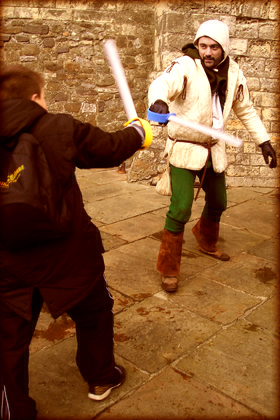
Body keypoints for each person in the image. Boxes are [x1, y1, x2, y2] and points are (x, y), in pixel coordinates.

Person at [0, 64, 152, 420]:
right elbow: (111, 148)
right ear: (35, 97)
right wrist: (138, 132)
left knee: (7, 341)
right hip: (68, 256)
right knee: (95, 311)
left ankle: (13, 411)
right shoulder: (58, 126)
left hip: (9, 263)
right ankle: (101, 378)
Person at [148, 19, 277, 293]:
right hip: (185, 146)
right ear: (197, 45)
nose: (207, 52)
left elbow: (246, 110)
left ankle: (205, 240)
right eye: (203, 46)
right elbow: (163, 83)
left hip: (213, 149)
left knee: (219, 201)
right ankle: (168, 267)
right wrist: (158, 101)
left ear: (224, 48)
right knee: (181, 207)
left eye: (214, 47)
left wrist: (264, 141)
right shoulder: (185, 65)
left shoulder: (234, 74)